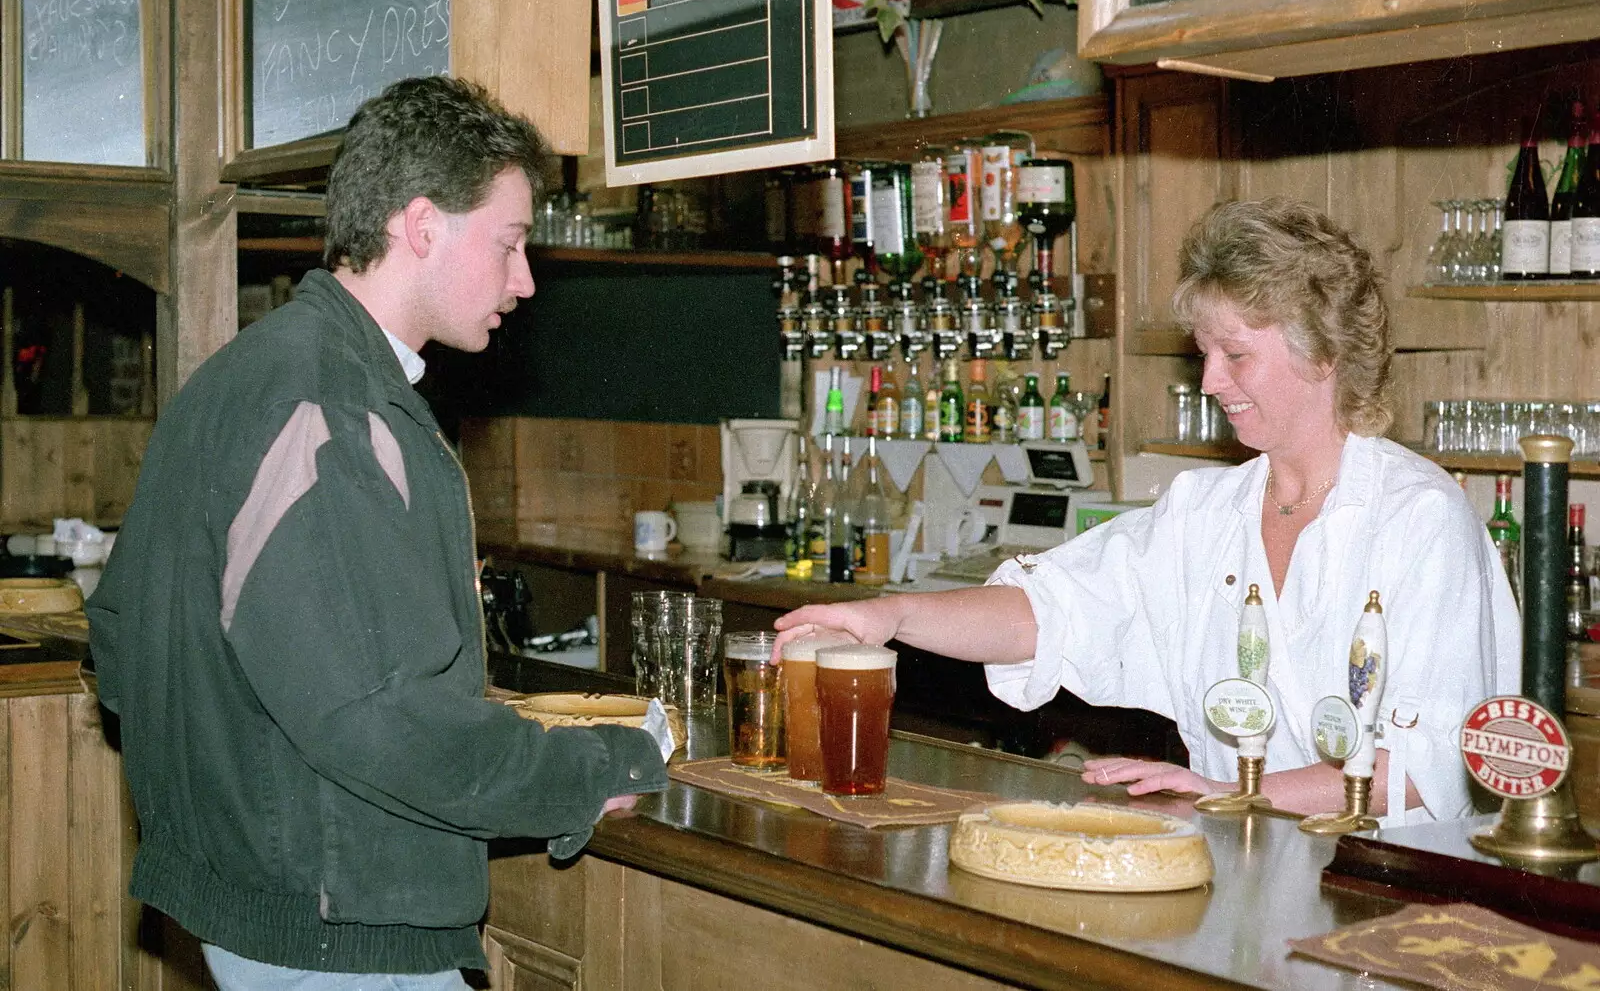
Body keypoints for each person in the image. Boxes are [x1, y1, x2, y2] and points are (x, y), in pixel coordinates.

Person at [87, 76, 669, 990]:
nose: (524, 281)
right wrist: (595, 766)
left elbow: (120, 645)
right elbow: (381, 722)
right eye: (511, 243)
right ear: (423, 224)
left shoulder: (245, 372)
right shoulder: (331, 410)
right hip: (334, 928)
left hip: (262, 907)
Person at [776, 198, 1519, 823]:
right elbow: (1048, 610)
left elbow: (1426, 766)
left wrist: (1232, 795)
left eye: (1234, 353)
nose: (1209, 378)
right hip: (1244, 869)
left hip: (1385, 897)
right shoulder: (1206, 511)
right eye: (1203, 352)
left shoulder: (1421, 518)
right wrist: (890, 617)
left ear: (1322, 354)